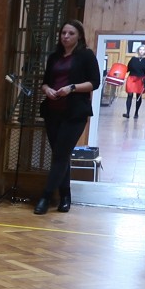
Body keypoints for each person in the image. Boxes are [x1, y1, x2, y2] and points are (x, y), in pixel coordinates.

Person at [36, 19, 101, 215]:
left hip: (75, 113)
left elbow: (95, 83)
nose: (66, 36)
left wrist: (71, 88)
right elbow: (45, 82)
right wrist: (47, 90)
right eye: (63, 33)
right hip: (52, 111)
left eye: (71, 33)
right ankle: (65, 197)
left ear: (79, 36)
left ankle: (45, 197)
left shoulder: (86, 55)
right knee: (61, 155)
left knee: (61, 155)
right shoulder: (54, 57)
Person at [124, 45, 145, 119]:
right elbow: (127, 69)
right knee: (129, 95)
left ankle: (136, 112)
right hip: (131, 78)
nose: (141, 51)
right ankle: (127, 113)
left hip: (141, 79)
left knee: (138, 96)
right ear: (138, 50)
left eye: (143, 50)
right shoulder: (133, 59)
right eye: (140, 49)